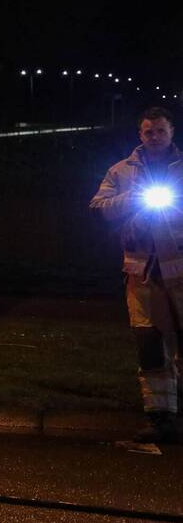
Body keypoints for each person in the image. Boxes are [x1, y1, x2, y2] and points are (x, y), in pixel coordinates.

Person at [90, 106, 181, 444]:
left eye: (160, 131)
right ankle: (159, 418)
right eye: (148, 132)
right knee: (149, 347)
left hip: (180, 274)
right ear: (140, 135)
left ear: (171, 133)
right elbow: (98, 208)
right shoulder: (121, 172)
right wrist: (132, 199)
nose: (154, 137)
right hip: (141, 277)